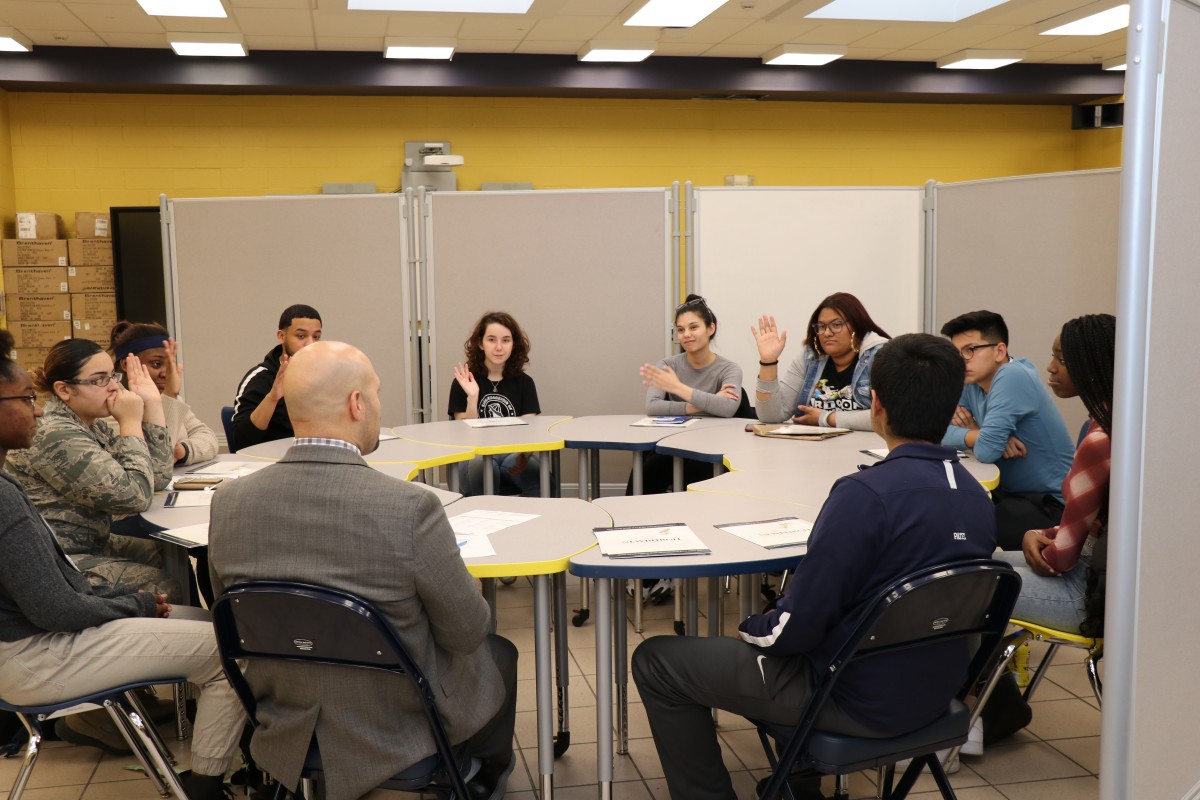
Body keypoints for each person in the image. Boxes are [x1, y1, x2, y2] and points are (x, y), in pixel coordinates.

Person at [632, 333, 997, 800]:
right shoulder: (978, 497)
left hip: (850, 696)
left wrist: (749, 626)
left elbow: (792, 631)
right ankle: (800, 781)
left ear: (877, 404)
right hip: (937, 692)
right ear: (952, 408)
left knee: (658, 660)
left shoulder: (864, 496)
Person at [209, 340, 518, 800]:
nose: (377, 403)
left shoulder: (228, 503)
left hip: (285, 720)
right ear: (357, 404)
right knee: (498, 651)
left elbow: (235, 615)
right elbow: (467, 632)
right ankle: (477, 777)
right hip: (394, 726)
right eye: (375, 392)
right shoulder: (410, 508)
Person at [0, 329, 245, 800]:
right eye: (27, 399)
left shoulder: (73, 434)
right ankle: (205, 782)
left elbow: (150, 477)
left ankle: (191, 709)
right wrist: (136, 606)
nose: (36, 409)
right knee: (229, 646)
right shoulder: (47, 446)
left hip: (40, 624)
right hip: (32, 654)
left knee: (187, 598)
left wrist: (149, 411)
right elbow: (58, 606)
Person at [3, 339, 179, 601]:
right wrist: (131, 421)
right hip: (62, 556)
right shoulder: (55, 434)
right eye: (99, 380)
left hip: (91, 541)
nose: (114, 387)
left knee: (169, 552)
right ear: (64, 390)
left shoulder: (90, 426)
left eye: (112, 377)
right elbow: (135, 497)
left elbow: (157, 479)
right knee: (163, 583)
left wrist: (153, 405)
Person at [995, 313, 1115, 634]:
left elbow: (1060, 560)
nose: (1050, 367)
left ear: (1092, 364)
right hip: (1099, 579)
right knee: (978, 566)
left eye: (1062, 359)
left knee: (960, 586)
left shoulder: (1098, 439)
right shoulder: (1113, 424)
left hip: (1084, 596)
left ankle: (986, 685)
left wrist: (1038, 540)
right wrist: (1042, 534)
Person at [631, 294, 743, 601]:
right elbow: (652, 406)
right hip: (671, 449)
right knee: (643, 476)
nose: (687, 335)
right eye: (680, 330)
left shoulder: (729, 369)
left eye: (693, 327)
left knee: (694, 495)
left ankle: (680, 564)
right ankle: (643, 569)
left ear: (711, 328)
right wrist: (696, 404)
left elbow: (729, 408)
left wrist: (679, 394)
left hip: (711, 456)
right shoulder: (668, 365)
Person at [939, 310, 1075, 551]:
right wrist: (980, 433)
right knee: (945, 512)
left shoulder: (1012, 375)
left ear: (999, 351)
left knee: (957, 530)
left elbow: (987, 452)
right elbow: (937, 433)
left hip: (1051, 506)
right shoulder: (971, 382)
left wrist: (983, 437)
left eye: (971, 350)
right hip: (1011, 495)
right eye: (956, 353)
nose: (962, 360)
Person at [752, 292, 890, 430]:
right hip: (812, 448)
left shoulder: (881, 356)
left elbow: (889, 417)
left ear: (856, 325)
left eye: (836, 325)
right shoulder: (809, 358)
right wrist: (768, 361)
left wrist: (826, 418)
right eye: (822, 327)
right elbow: (770, 416)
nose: (827, 333)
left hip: (861, 448)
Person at [448, 311, 542, 496]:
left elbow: (529, 431)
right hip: (474, 454)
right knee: (483, 471)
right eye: (491, 339)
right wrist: (473, 397)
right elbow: (464, 434)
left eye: (506, 340)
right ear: (480, 343)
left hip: (512, 453)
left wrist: (524, 456)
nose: (499, 347)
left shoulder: (525, 383)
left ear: (513, 344)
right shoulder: (464, 381)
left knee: (538, 477)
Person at [110, 321, 218, 466]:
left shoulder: (168, 397)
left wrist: (184, 451)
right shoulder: (111, 402)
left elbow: (208, 437)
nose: (166, 373)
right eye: (156, 364)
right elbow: (158, 461)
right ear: (125, 364)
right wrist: (170, 396)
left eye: (170, 364)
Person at [230, 304, 322, 452]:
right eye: (301, 336)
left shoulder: (327, 376)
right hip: (270, 464)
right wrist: (273, 397)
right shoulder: (259, 378)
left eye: (316, 337)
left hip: (316, 459)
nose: (310, 344)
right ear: (282, 336)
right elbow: (241, 442)